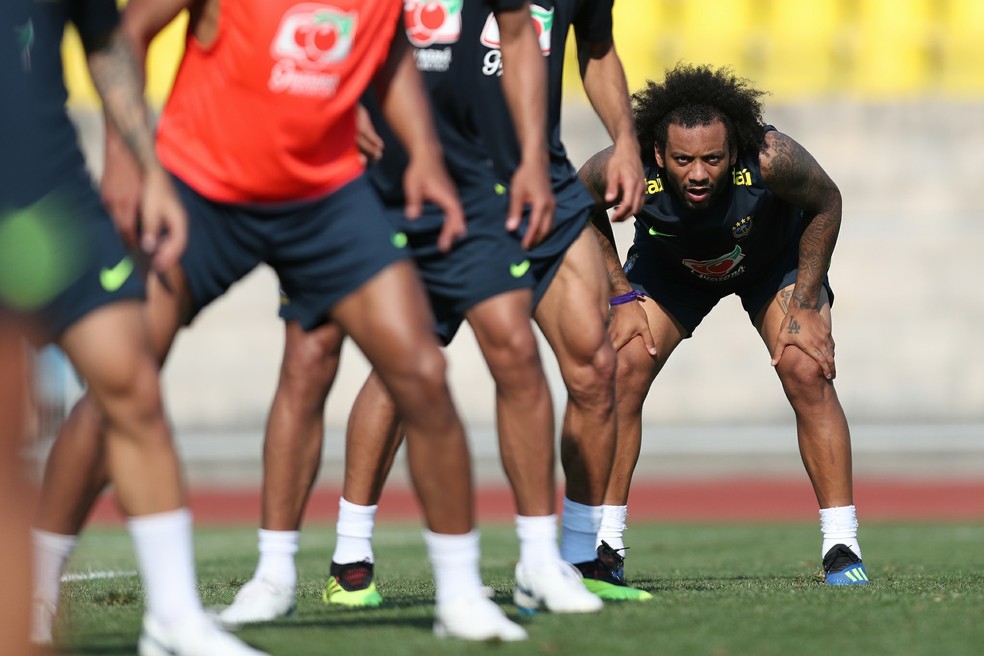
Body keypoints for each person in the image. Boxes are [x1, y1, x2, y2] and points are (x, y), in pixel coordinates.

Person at [30, 0, 531, 645]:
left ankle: (460, 595)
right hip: (201, 185)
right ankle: (34, 584)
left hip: (324, 199)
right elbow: (129, 28)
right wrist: (130, 164)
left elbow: (390, 51)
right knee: (119, 380)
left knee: (421, 371)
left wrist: (425, 154)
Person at [218, 0, 606, 625]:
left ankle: (539, 560)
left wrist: (533, 156)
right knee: (312, 358)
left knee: (513, 348)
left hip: (472, 181)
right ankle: (274, 574)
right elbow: (295, 36)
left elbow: (516, 33)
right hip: (348, 181)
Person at [3, 0, 271, 654]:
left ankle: (173, 619)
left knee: (133, 386)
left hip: (57, 200)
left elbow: (105, 40)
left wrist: (147, 169)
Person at [580, 64, 869, 586]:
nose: (697, 173)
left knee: (807, 369)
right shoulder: (623, 165)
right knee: (622, 368)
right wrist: (619, 291)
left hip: (770, 264)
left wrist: (806, 298)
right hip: (672, 272)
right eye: (684, 159)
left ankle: (842, 545)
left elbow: (828, 202)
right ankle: (606, 544)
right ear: (660, 154)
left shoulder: (771, 157)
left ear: (732, 151)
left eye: (712, 158)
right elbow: (578, 208)